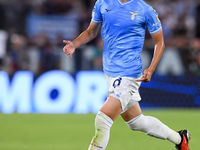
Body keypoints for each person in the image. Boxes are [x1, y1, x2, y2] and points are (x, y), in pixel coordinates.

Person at [63, 0, 191, 150]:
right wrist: (74, 44)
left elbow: (159, 42)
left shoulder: (145, 10)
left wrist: (151, 68)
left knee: (102, 120)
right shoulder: (102, 3)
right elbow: (91, 31)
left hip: (129, 73)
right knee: (137, 122)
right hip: (110, 72)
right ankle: (180, 138)